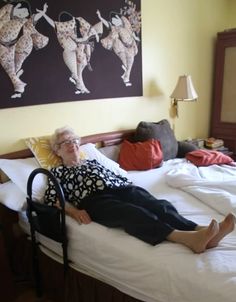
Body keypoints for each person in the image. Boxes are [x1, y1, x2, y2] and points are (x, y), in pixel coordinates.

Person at [44, 126, 235, 254]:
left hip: (122, 188)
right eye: (65, 142)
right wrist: (74, 211)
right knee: (132, 213)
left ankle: (199, 230)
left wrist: (130, 187)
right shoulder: (57, 171)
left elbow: (117, 175)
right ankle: (186, 238)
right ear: (56, 151)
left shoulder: (92, 160)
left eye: (74, 140)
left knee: (159, 205)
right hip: (95, 201)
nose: (72, 144)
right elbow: (52, 198)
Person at [0, 1, 49, 98]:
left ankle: (17, 82)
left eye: (25, 13)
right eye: (22, 11)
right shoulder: (8, 14)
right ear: (17, 6)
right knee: (11, 65)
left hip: (22, 44)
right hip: (7, 45)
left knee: (13, 64)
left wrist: (43, 12)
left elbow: (34, 18)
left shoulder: (25, 21)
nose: (23, 14)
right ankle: (17, 84)